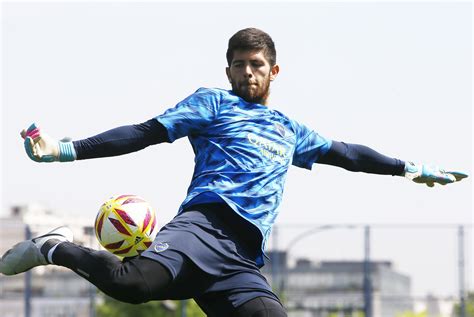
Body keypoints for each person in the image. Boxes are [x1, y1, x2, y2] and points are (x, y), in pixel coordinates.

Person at [0, 28, 468, 317]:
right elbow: (143, 133)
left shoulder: (290, 129)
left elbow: (347, 153)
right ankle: (53, 246)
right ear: (228, 69)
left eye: (257, 65)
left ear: (274, 70)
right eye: (239, 64)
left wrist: (409, 169)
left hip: (243, 258)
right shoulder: (212, 103)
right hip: (203, 227)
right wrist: (63, 150)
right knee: (133, 286)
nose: (248, 72)